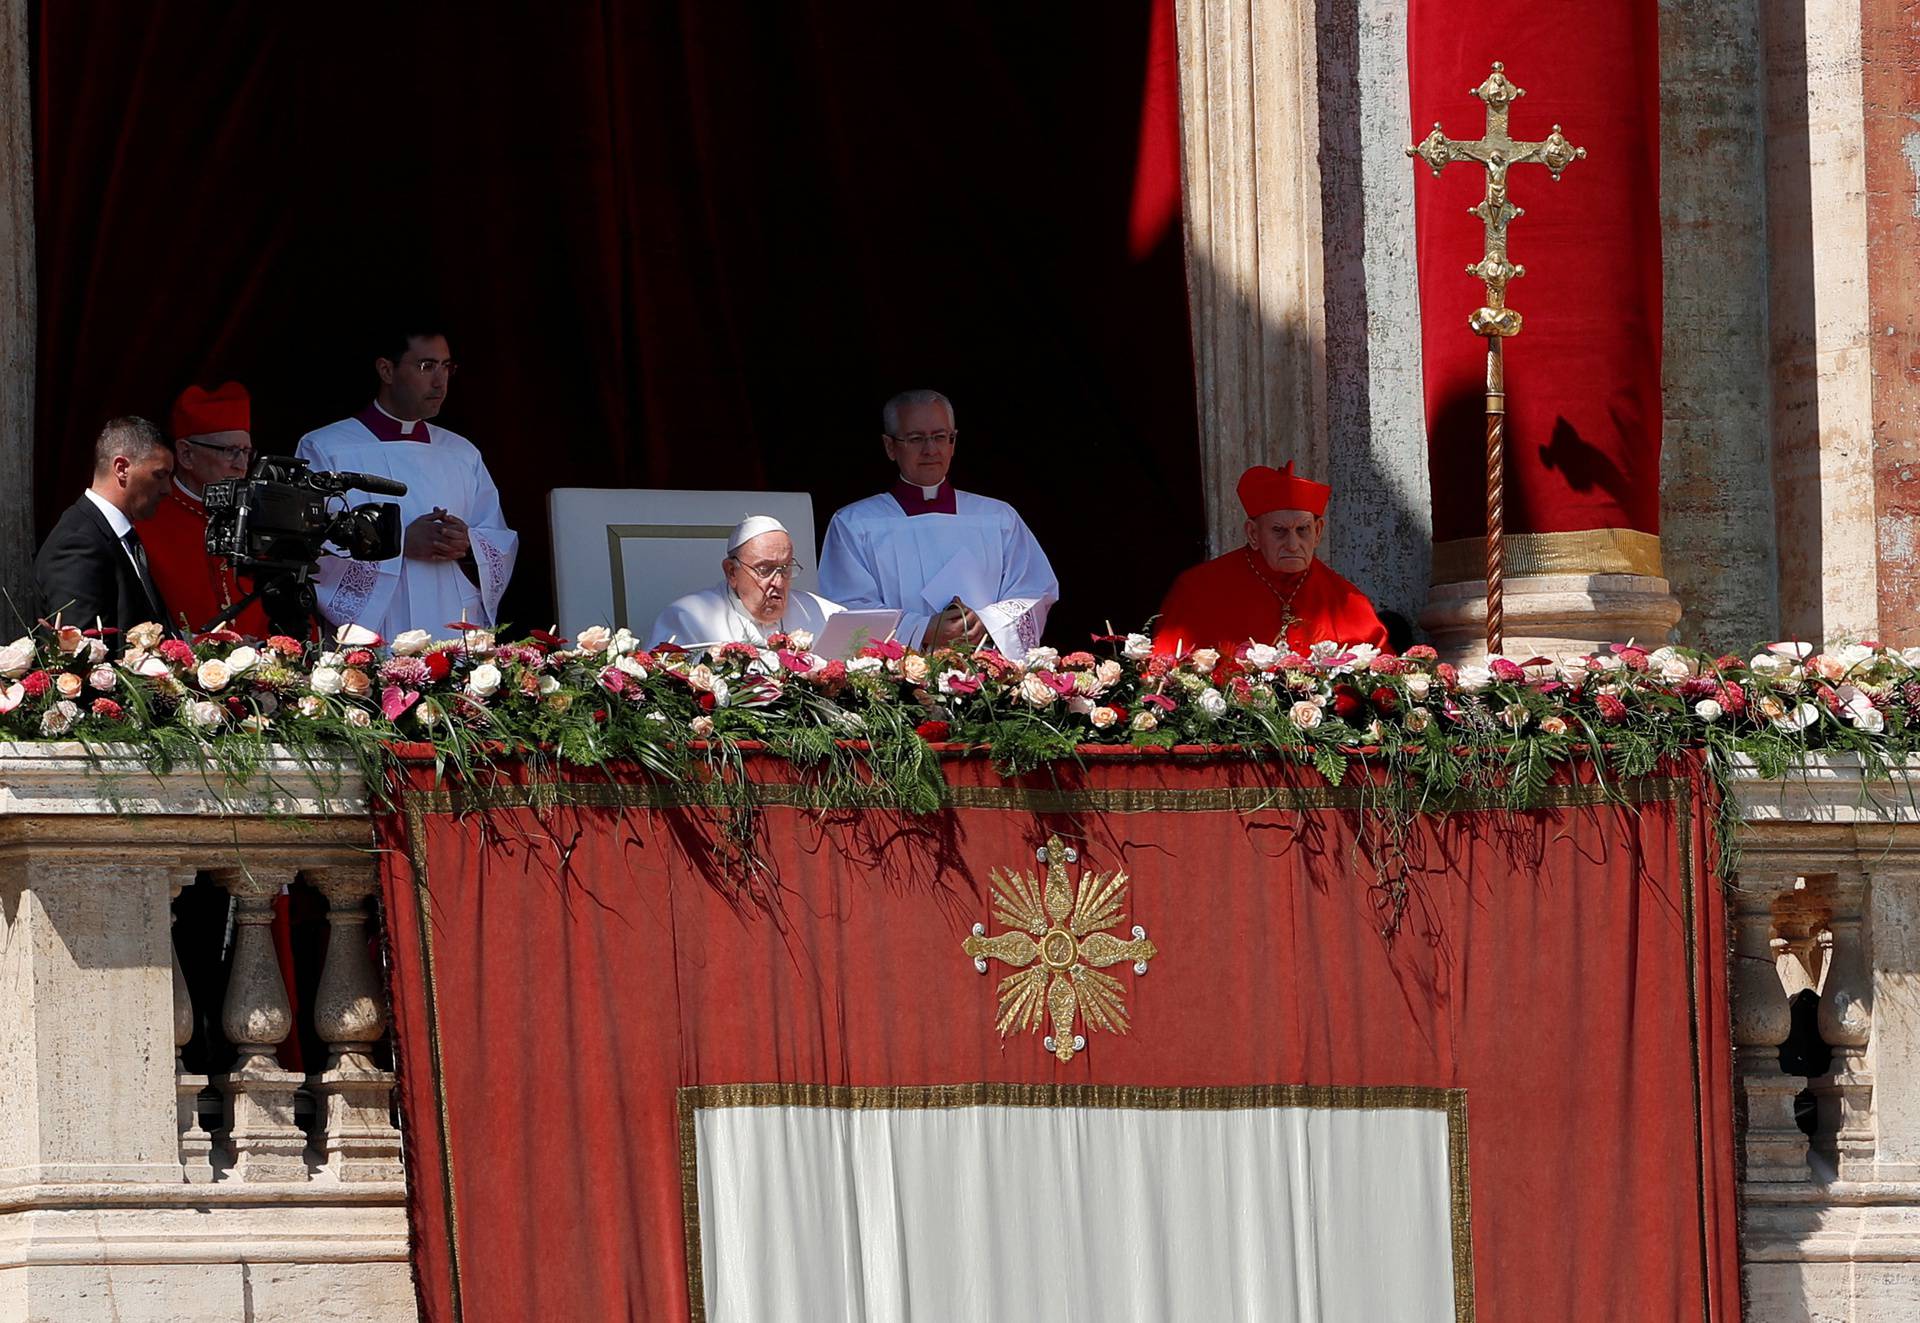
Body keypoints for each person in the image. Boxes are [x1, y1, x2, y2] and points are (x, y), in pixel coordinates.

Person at [295, 323, 516, 639]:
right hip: (378, 629)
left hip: (453, 624)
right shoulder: (327, 448)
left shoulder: (461, 453)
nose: (440, 382)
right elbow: (311, 548)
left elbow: (498, 538)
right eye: (426, 366)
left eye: (446, 367)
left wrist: (469, 544)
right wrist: (398, 545)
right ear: (386, 370)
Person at [817, 390, 1057, 653]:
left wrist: (988, 623)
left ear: (953, 443)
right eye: (916, 438)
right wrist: (923, 629)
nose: (930, 450)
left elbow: (1034, 591)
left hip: (986, 676)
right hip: (897, 681)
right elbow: (845, 609)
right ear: (890, 446)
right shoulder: (855, 524)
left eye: (940, 437)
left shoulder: (998, 518)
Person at [1152, 462, 1390, 656]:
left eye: (1302, 530)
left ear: (1318, 532)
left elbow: (1382, 683)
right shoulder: (1197, 590)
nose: (1293, 544)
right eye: (1279, 531)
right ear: (1253, 534)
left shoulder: (1347, 601)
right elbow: (1164, 675)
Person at [135, 381, 273, 637]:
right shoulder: (147, 519)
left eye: (247, 452)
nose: (242, 465)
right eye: (231, 451)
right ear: (186, 455)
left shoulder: (259, 517)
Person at [34, 416, 176, 637]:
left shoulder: (119, 535)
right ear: (122, 468)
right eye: (159, 475)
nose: (168, 489)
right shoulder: (78, 542)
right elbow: (82, 653)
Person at [649, 515, 843, 648]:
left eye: (785, 568)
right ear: (732, 572)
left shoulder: (828, 617)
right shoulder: (687, 618)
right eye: (764, 570)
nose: (779, 582)